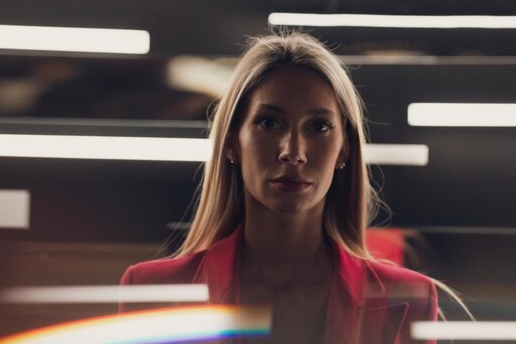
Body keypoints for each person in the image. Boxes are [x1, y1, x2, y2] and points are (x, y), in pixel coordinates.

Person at [120, 32, 439, 344]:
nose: (293, 152)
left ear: (344, 150)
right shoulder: (153, 291)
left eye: (319, 126)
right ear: (233, 142)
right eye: (270, 123)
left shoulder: (409, 301)